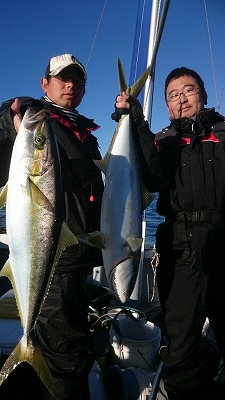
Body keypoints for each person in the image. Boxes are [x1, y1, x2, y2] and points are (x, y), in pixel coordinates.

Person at [112, 67, 225, 400]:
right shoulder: (162, 140)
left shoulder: (223, 131)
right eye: (173, 95)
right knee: (181, 345)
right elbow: (152, 177)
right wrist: (132, 120)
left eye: (188, 90)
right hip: (181, 254)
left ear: (202, 94)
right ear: (166, 105)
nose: (182, 98)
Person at [0, 53, 104, 400]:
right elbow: (6, 121)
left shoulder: (85, 134)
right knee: (68, 358)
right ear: (45, 83)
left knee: (68, 347)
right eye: (62, 78)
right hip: (55, 264)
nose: (70, 85)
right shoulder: (35, 117)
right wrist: (12, 120)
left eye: (77, 80)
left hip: (76, 260)